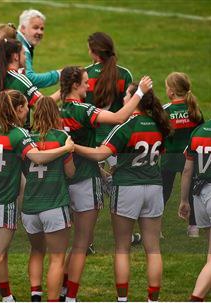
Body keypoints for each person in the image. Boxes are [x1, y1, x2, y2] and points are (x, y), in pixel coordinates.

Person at [58, 66, 152, 301]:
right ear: (75, 85)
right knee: (81, 243)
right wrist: (140, 92)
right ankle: (70, 297)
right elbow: (120, 117)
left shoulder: (60, 110)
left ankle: (58, 291)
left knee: (64, 246)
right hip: (84, 183)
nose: (89, 87)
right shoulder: (82, 109)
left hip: (63, 179)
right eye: (85, 83)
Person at [74, 87, 172, 302]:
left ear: (135, 100)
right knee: (153, 248)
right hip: (154, 188)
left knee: (122, 247)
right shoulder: (160, 124)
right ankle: (152, 300)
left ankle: (122, 300)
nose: (125, 98)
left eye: (128, 95)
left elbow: (101, 153)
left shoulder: (126, 126)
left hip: (127, 188)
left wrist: (74, 147)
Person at [0, 89, 74, 302]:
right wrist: (65, 148)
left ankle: (8, 296)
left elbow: (9, 136)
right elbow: (37, 157)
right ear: (18, 109)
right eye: (25, 108)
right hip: (1, 200)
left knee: (0, 252)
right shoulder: (20, 134)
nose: (27, 111)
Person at [23, 96, 75, 302]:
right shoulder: (62, 138)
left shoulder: (26, 137)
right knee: (57, 258)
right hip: (54, 206)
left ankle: (35, 296)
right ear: (56, 114)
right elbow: (70, 172)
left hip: (30, 206)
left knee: (36, 250)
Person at [162, 72, 204, 237]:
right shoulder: (194, 110)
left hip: (168, 159)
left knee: (163, 192)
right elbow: (200, 134)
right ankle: (194, 227)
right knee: (193, 192)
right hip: (191, 158)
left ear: (171, 91)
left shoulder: (165, 110)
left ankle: (156, 228)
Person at [178, 119, 211, 302]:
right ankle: (196, 298)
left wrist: (184, 200)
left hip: (199, 195)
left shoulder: (199, 131)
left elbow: (187, 170)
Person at [85, 32, 134, 146]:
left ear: (95, 53)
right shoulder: (124, 74)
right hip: (117, 137)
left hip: (90, 138)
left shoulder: (85, 74)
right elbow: (130, 108)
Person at [0, 38, 43, 128]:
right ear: (16, 56)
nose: (25, 58)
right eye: (24, 54)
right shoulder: (19, 79)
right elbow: (43, 105)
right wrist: (64, 90)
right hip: (20, 136)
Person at [17, 9, 60, 88]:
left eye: (42, 29)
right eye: (35, 28)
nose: (40, 32)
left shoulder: (12, 39)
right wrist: (60, 74)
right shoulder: (21, 48)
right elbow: (29, 79)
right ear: (23, 28)